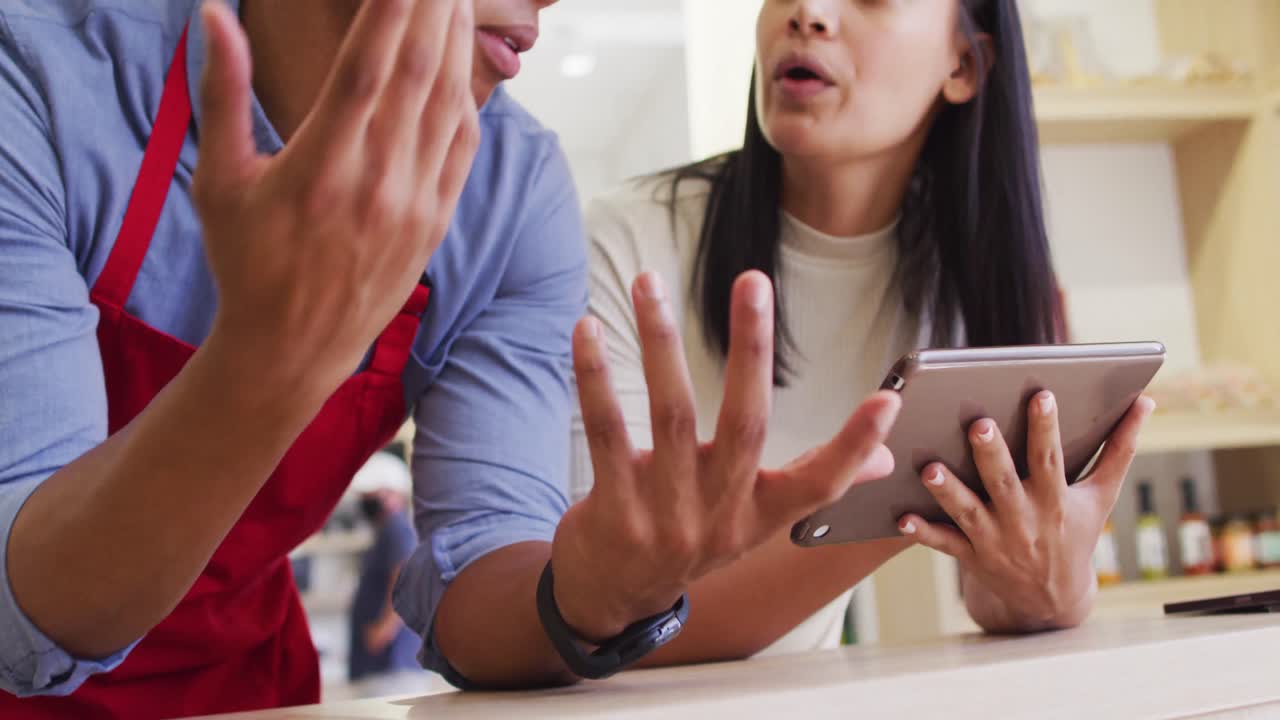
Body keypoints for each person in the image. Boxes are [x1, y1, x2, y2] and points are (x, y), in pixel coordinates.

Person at [0, 0, 899, 711]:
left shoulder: (513, 189)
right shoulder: (38, 77)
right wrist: (269, 357)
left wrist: (592, 594)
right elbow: (28, 609)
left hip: (248, 696)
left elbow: (481, 572)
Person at [570, 0, 1156, 660]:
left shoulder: (983, 279)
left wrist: (1056, 579)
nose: (808, 12)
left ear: (964, 66)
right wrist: (915, 489)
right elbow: (595, 616)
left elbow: (1001, 594)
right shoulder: (628, 238)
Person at [347, 451, 421, 683]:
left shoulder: (397, 529)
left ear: (395, 494)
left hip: (391, 663)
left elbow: (404, 576)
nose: (366, 500)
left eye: (373, 494)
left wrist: (385, 628)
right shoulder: (385, 531)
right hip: (379, 663)